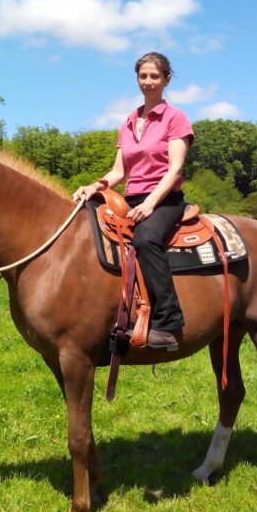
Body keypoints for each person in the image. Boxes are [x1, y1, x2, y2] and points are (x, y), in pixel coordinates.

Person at [74, 52, 194, 351]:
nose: (148, 82)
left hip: (165, 199)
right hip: (130, 199)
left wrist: (151, 203)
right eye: (143, 76)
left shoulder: (175, 118)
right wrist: (93, 186)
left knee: (146, 239)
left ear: (166, 79)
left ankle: (168, 323)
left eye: (155, 76)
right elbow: (118, 171)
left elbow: (175, 169)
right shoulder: (129, 120)